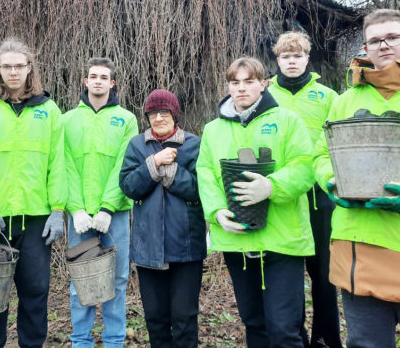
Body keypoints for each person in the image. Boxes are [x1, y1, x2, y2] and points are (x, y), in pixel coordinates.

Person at [196, 57, 315, 348]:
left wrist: (272, 186)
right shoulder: (213, 129)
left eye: (249, 81)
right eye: (235, 82)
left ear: (263, 85)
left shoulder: (287, 120)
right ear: (228, 86)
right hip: (238, 242)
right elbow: (206, 172)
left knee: (284, 329)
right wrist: (216, 212)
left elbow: (306, 166)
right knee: (254, 324)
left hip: (282, 241)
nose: (241, 88)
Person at [0, 38, 66, 348]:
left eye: (19, 65)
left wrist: (58, 210)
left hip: (36, 220)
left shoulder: (49, 110)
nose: (13, 72)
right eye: (7, 66)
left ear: (29, 69)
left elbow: (57, 163)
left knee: (35, 292)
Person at [313, 8, 400, 348]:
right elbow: (322, 155)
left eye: (392, 37)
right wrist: (331, 181)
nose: (383, 45)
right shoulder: (345, 101)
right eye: (374, 40)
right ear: (365, 47)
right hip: (359, 253)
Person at [268, 32, 342, 348]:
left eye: (297, 56)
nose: (292, 61)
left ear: (307, 59)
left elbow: (338, 141)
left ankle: (325, 338)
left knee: (324, 275)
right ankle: (292, 338)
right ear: (278, 60)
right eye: (286, 56)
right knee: (288, 275)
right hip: (283, 197)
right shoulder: (265, 94)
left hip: (320, 197)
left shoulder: (328, 97)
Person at [119, 89, 206, 348]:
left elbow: (201, 189)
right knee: (155, 319)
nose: (158, 118)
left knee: (184, 318)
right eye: (152, 113)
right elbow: (128, 186)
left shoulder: (193, 144)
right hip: (148, 248)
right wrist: (153, 163)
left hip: (186, 246)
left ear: (174, 114)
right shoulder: (137, 145)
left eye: (164, 112)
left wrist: (171, 171)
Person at [63, 57, 138, 348]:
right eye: (92, 76)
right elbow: (64, 166)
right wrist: (75, 208)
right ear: (85, 81)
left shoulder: (126, 119)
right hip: (79, 216)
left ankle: (114, 341)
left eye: (103, 77)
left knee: (117, 280)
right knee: (80, 281)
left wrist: (108, 206)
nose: (97, 81)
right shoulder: (68, 120)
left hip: (114, 216)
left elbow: (125, 164)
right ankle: (81, 341)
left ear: (112, 83)